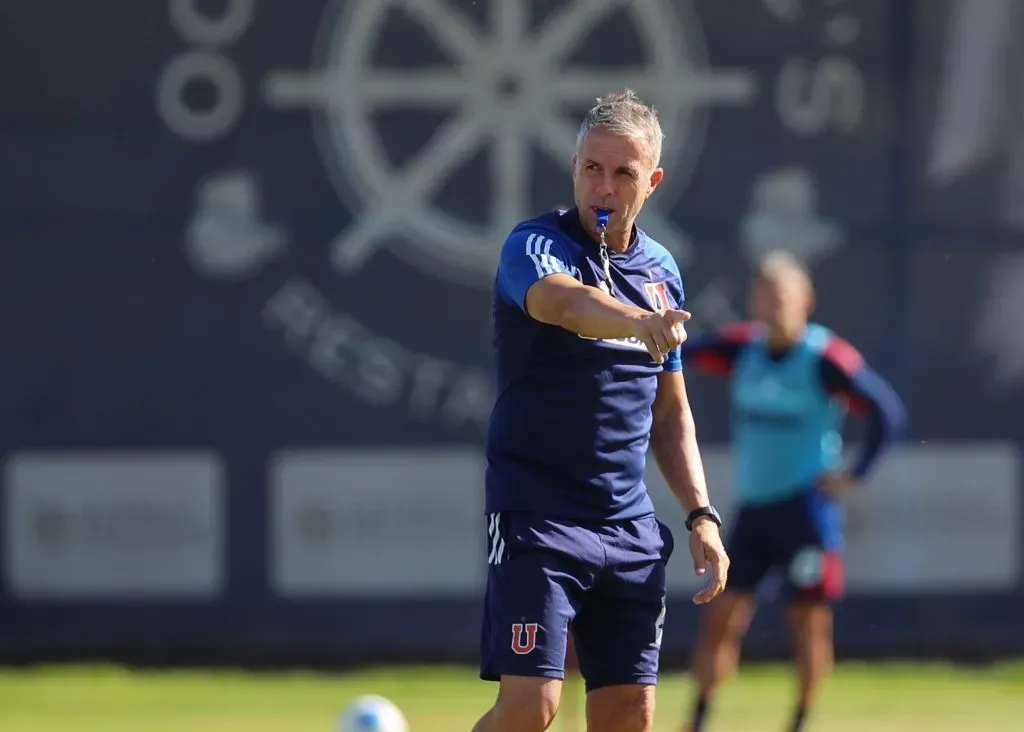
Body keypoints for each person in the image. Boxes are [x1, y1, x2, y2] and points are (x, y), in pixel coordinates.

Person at [472, 90, 730, 732]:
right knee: (531, 706)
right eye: (593, 168)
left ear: (654, 182)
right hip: (537, 516)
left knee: (628, 713)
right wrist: (641, 323)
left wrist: (700, 513)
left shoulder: (662, 271)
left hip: (627, 524)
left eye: (623, 173)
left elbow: (670, 414)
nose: (604, 188)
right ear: (574, 165)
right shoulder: (535, 245)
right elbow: (563, 304)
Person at [678, 252, 907, 732]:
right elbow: (679, 353)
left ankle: (800, 720)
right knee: (721, 617)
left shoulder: (824, 358)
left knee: (807, 625)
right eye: (764, 294)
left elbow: (886, 412)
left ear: (807, 300)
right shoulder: (745, 349)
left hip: (805, 511)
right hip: (755, 510)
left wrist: (854, 473)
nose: (773, 304)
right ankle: (698, 718)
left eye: (782, 295)